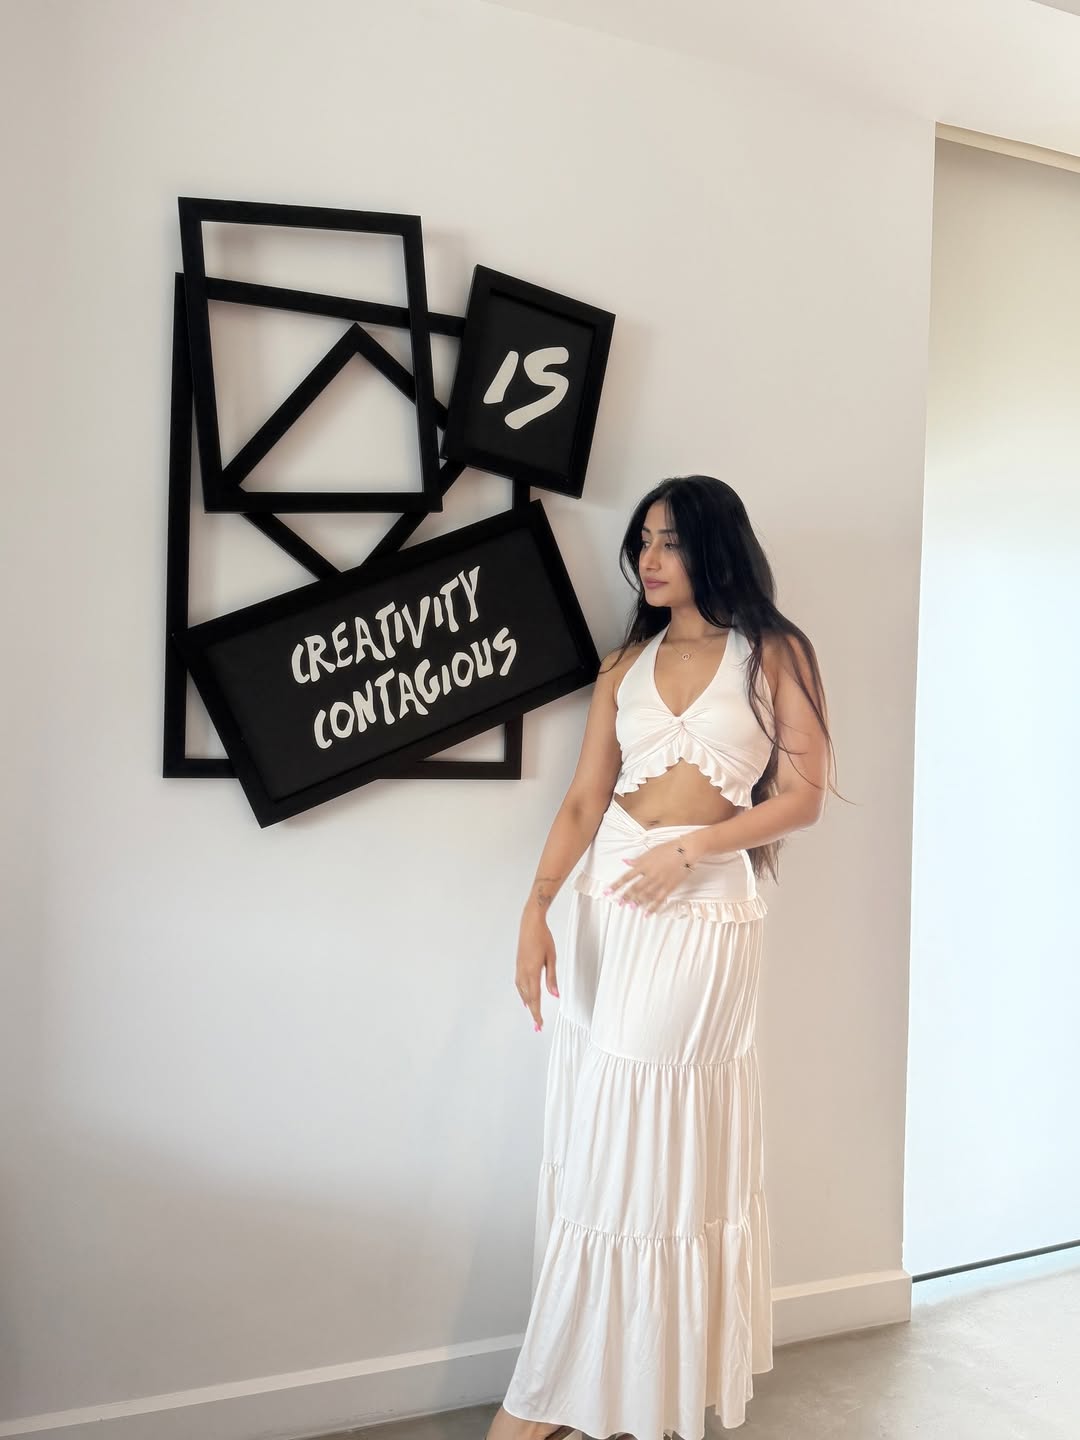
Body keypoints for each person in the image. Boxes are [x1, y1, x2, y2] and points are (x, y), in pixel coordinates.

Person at [486, 475, 836, 1440]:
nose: (649, 558)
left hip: (703, 914)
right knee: (604, 1136)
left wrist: (694, 848)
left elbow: (804, 797)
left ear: (715, 547)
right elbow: (582, 800)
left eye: (671, 541)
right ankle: (607, 1389)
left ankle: (545, 1401)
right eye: (642, 540)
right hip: (608, 910)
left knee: (643, 1135)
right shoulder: (623, 665)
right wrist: (536, 907)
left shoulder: (774, 652)